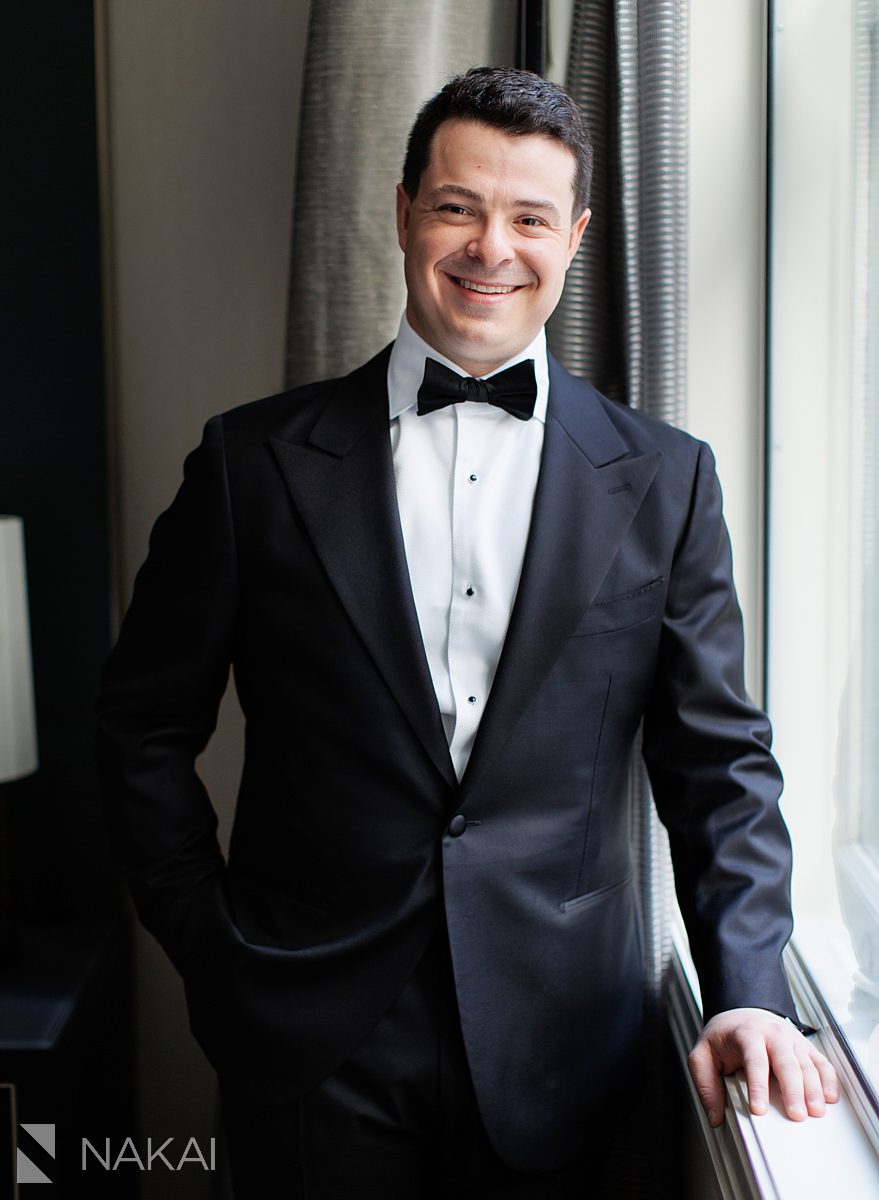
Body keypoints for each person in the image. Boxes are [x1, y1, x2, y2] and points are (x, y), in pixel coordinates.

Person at [97, 66, 837, 1198]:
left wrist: (747, 987)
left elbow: (720, 766)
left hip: (570, 1054)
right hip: (311, 1049)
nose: (492, 246)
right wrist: (210, 941)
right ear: (402, 215)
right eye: (458, 207)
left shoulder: (668, 480)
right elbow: (140, 725)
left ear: (575, 236)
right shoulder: (251, 465)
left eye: (530, 217)